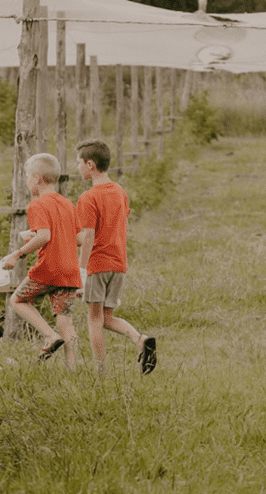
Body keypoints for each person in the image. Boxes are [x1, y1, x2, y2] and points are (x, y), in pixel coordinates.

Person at [76, 138, 157, 375]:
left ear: (90, 165)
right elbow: (121, 226)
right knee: (107, 317)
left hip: (97, 264)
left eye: (79, 163)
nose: (77, 168)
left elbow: (88, 237)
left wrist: (80, 270)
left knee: (94, 319)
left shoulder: (88, 198)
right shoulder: (120, 191)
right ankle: (140, 339)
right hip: (118, 263)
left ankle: (100, 371)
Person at [3, 153, 85, 369]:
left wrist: (16, 254)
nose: (27, 181)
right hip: (69, 271)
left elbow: (44, 236)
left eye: (28, 177)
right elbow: (78, 239)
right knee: (65, 320)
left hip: (49, 269)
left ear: (37, 178)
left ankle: (49, 336)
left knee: (18, 301)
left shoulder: (37, 205)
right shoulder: (67, 203)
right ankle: (73, 372)